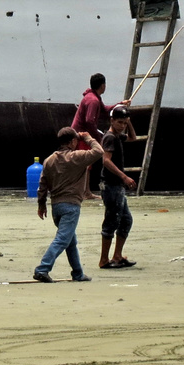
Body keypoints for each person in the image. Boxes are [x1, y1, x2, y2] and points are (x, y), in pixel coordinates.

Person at [34, 127, 103, 282]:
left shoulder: (49, 160)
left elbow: (42, 185)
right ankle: (43, 268)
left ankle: (78, 273)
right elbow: (99, 152)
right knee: (63, 239)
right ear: (73, 142)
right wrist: (87, 138)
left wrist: (41, 205)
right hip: (71, 206)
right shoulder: (77, 157)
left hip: (56, 207)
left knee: (70, 241)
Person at [73, 73, 128, 199]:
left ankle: (84, 191)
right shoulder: (93, 100)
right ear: (103, 85)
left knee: (86, 162)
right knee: (86, 163)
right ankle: (85, 192)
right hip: (82, 134)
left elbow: (104, 110)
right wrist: (97, 137)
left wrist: (120, 104)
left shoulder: (93, 97)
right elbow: (89, 121)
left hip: (82, 132)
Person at [98, 106, 138, 270]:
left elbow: (133, 138)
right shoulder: (110, 138)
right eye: (119, 122)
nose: (122, 125)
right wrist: (124, 176)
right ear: (112, 121)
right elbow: (106, 160)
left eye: (124, 122)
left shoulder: (117, 136)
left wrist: (128, 123)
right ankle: (104, 259)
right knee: (111, 220)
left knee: (126, 220)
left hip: (117, 185)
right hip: (111, 184)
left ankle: (117, 255)